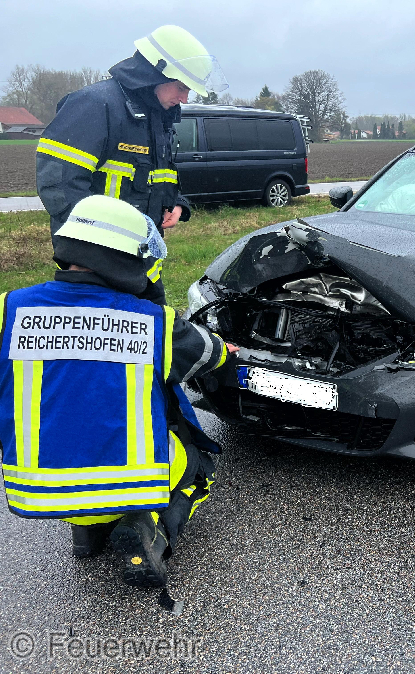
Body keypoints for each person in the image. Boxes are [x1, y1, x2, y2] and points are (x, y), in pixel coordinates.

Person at [0, 195, 237, 588]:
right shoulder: (154, 322)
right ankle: (147, 534)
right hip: (124, 486)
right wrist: (227, 353)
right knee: (196, 464)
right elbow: (210, 355)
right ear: (126, 259)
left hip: (35, 488)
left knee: (72, 433)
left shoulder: (9, 309)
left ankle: (87, 533)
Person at [36, 25, 228, 305]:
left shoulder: (158, 116)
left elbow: (161, 175)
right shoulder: (94, 104)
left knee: (153, 336)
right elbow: (59, 186)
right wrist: (97, 251)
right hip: (97, 266)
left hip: (139, 262)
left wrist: (176, 203)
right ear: (154, 74)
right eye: (182, 86)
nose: (185, 98)